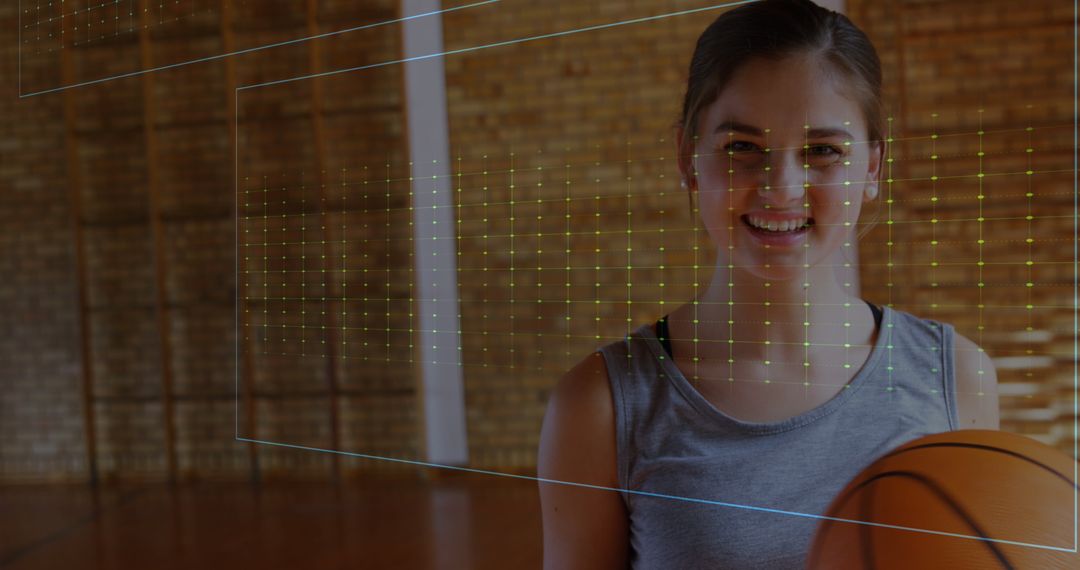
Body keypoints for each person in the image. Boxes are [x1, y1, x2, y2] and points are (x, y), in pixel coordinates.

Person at [536, 0, 1000, 568]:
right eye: (742, 149)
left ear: (873, 167)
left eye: (823, 151)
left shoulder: (954, 378)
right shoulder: (601, 406)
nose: (781, 187)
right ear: (688, 157)